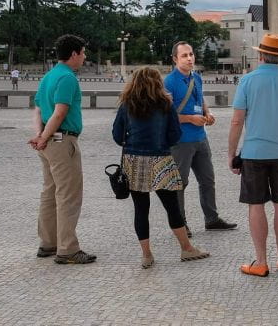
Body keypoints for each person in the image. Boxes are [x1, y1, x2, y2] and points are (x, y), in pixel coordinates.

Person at [112, 67, 209, 268]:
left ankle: (146, 255)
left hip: (134, 161)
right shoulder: (165, 105)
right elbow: (175, 135)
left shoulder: (126, 105)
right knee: (171, 206)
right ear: (157, 83)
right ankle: (186, 248)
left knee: (141, 209)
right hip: (161, 161)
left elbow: (116, 134)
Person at [228, 34, 278, 277]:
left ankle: (260, 261)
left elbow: (237, 120)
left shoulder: (247, 81)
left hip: (253, 153)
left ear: (260, 55)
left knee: (256, 205)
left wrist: (231, 153)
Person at [28, 34, 96, 264]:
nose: (84, 57)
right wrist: (44, 136)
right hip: (62, 140)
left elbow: (38, 109)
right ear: (74, 54)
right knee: (68, 195)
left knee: (49, 192)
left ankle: (48, 242)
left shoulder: (48, 76)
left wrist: (40, 136)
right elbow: (60, 112)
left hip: (48, 140)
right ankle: (67, 249)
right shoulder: (67, 78)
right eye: (83, 53)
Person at [166, 42, 237, 235]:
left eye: (191, 54)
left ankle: (211, 219)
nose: (189, 58)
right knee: (180, 183)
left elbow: (199, 99)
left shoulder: (196, 77)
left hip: (200, 137)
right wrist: (190, 118)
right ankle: (181, 224)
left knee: (208, 180)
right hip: (181, 141)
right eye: (184, 56)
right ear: (175, 59)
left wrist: (208, 112)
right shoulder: (169, 82)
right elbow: (166, 116)